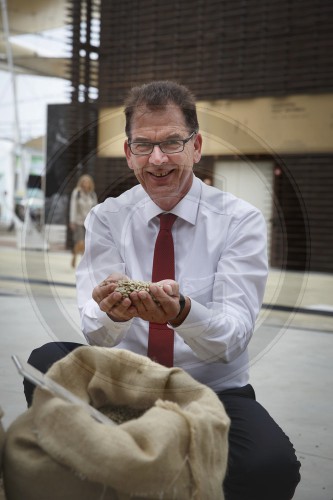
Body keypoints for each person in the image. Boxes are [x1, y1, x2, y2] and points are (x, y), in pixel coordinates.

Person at [25, 81, 301, 500]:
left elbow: (232, 340)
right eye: (143, 145)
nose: (157, 159)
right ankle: (119, 463)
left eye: (172, 142)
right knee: (45, 362)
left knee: (271, 467)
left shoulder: (239, 221)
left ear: (197, 147)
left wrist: (183, 312)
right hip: (126, 382)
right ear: (129, 153)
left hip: (211, 391)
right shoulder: (108, 218)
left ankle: (136, 455)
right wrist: (114, 313)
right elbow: (95, 334)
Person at [69, 174, 97, 267]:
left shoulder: (92, 194)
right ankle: (75, 255)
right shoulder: (76, 192)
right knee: (80, 242)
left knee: (86, 244)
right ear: (81, 183)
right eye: (84, 181)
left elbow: (95, 209)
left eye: (87, 182)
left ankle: (81, 260)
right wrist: (72, 221)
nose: (86, 183)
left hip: (88, 222)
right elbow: (73, 207)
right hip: (78, 221)